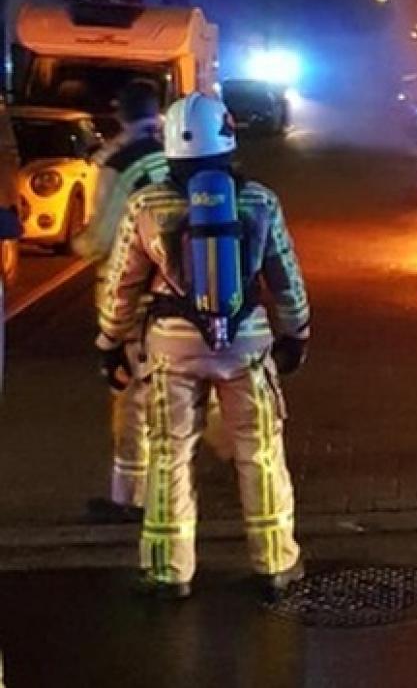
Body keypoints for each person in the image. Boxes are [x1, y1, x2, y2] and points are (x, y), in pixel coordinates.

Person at [97, 93, 310, 599]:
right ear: (229, 137)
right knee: (259, 452)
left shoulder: (146, 204)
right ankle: (276, 563)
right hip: (247, 344)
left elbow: (121, 281)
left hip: (172, 347)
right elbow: (285, 275)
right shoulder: (259, 200)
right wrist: (296, 332)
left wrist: (109, 340)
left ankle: (170, 571)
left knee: (170, 454)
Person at [73, 80, 170, 524]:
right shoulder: (181, 153)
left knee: (129, 392)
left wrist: (78, 243)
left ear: (119, 114)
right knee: (170, 393)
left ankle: (130, 498)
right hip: (177, 295)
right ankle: (173, 485)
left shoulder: (118, 164)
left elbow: (103, 238)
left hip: (132, 295)